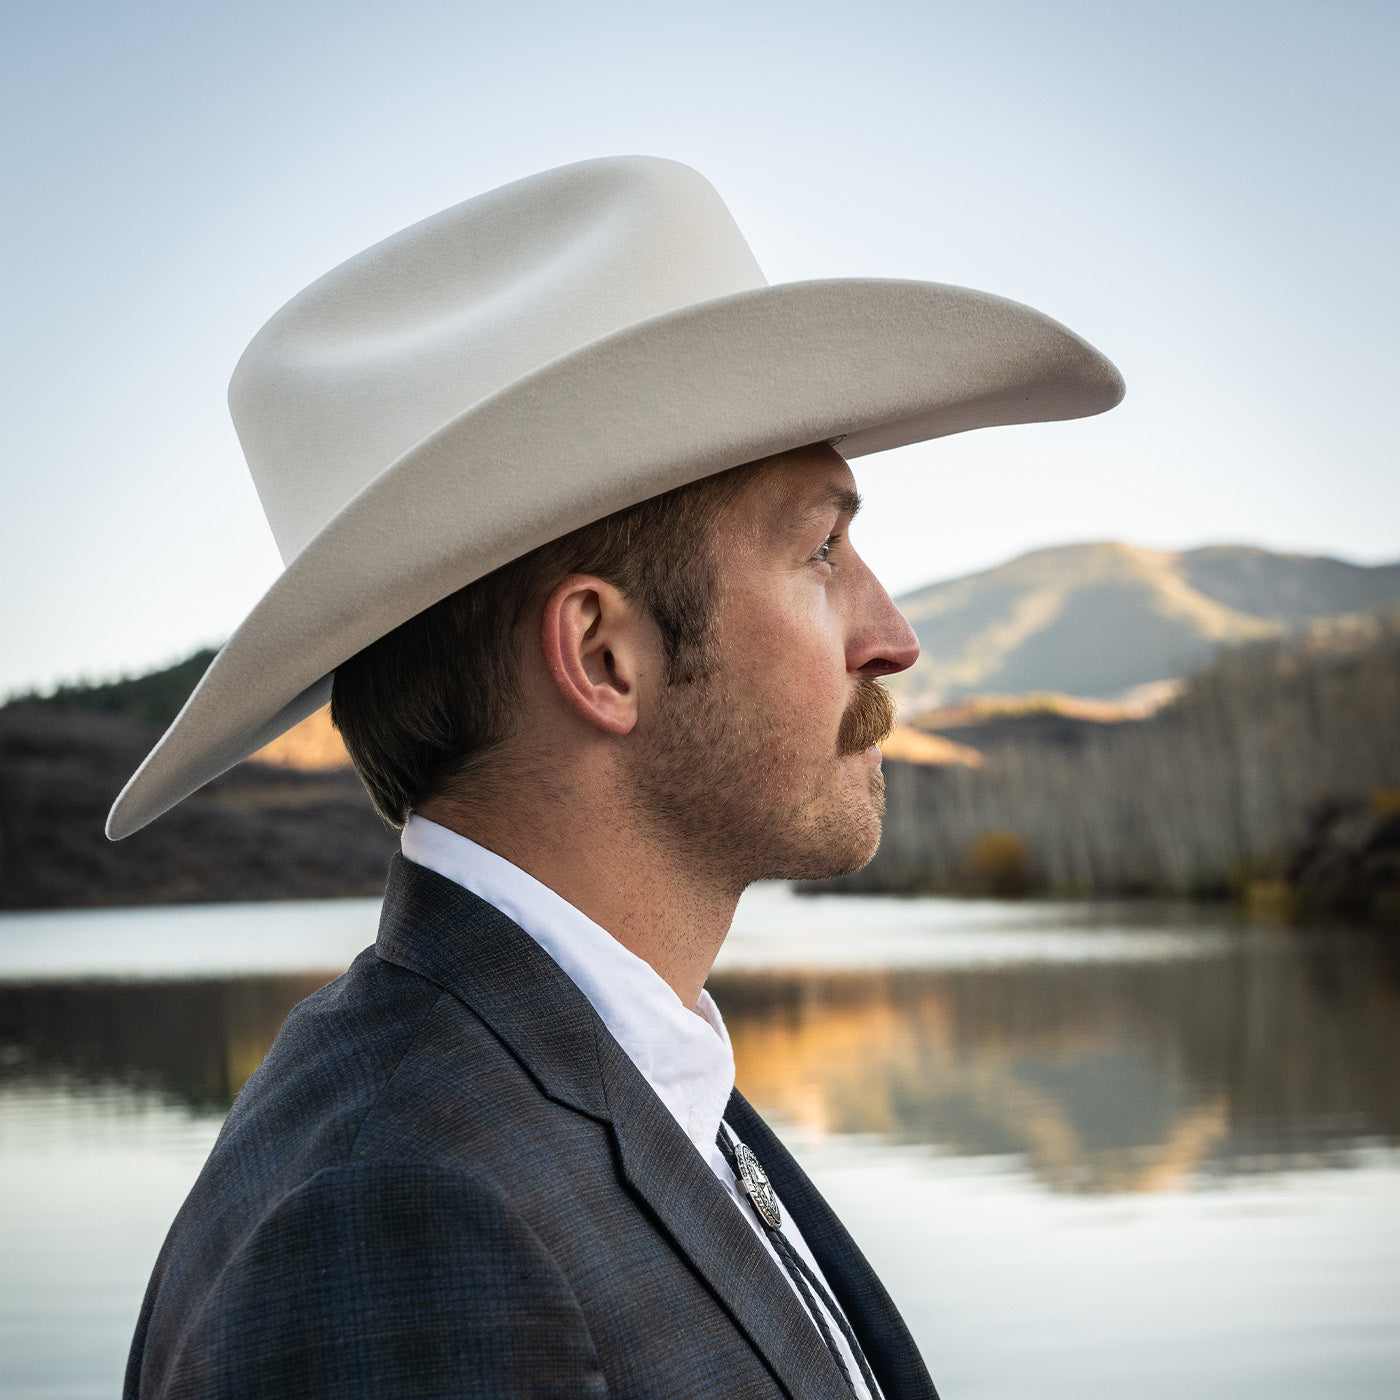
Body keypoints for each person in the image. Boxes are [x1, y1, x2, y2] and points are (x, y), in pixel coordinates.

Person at [112, 156, 1122, 1398]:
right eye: (820, 549)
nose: (891, 636)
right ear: (602, 654)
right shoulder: (397, 1212)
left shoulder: (606, 1078)